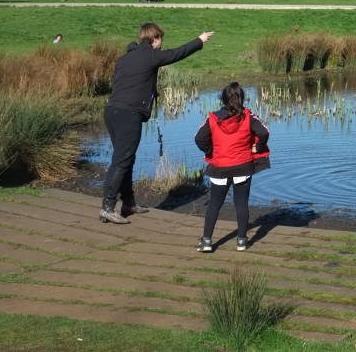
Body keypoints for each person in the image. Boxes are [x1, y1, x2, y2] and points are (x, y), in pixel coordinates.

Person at [99, 23, 214, 224]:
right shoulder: (150, 55)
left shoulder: (123, 59)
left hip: (112, 111)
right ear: (155, 39)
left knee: (126, 158)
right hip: (129, 114)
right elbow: (176, 54)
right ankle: (107, 207)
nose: (161, 45)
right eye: (160, 40)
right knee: (122, 160)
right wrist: (199, 40)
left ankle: (128, 203)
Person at [194, 82, 270, 252]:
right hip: (243, 167)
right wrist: (257, 147)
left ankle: (207, 242)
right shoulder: (249, 116)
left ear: (223, 99)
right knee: (241, 204)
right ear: (241, 98)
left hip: (219, 167)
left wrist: (210, 150)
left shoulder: (212, 118)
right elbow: (264, 132)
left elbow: (199, 138)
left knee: (214, 204)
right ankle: (242, 241)